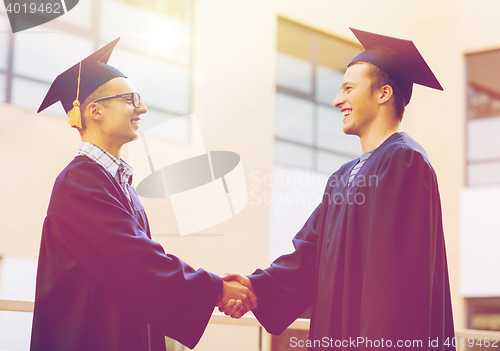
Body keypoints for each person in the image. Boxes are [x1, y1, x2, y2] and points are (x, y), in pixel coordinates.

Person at [221, 28, 455, 350]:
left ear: (383, 94)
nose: (337, 100)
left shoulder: (404, 163)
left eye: (348, 88)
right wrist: (255, 287)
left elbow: (395, 281)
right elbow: (309, 254)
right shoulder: (342, 177)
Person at [30, 38, 256, 351]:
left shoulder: (116, 181)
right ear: (94, 111)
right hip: (92, 337)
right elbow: (134, 260)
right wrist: (215, 288)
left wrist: (214, 286)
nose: (142, 108)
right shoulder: (78, 183)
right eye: (130, 99)